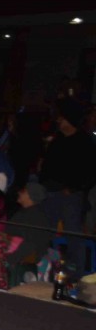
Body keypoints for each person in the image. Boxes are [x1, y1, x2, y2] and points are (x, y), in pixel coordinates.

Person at [38, 98, 96, 280]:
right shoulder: (58, 140)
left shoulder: (85, 142)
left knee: (73, 233)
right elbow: (48, 164)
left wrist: (74, 188)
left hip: (71, 195)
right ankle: (46, 267)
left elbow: (91, 171)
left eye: (62, 118)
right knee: (46, 230)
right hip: (52, 192)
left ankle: (75, 273)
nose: (58, 121)